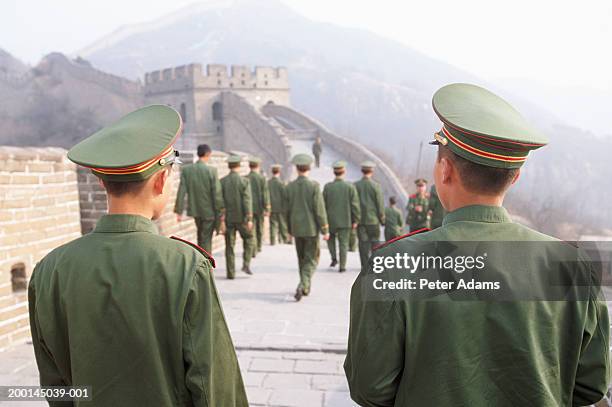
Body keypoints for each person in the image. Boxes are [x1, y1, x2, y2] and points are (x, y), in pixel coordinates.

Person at [345, 83, 610, 406]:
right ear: (515, 177)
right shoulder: (569, 265)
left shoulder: (394, 265)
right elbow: (591, 386)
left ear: (444, 171)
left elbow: (370, 388)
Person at [28, 105, 248, 406]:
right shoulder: (185, 266)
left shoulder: (49, 270)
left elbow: (55, 385)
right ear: (160, 181)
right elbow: (214, 384)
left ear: (101, 181)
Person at [286, 154, 329, 301]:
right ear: (309, 167)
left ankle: (305, 287)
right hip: (311, 229)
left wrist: (288, 230)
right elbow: (319, 210)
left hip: (297, 228)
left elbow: (287, 210)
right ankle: (302, 284)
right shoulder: (314, 186)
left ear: (296, 169)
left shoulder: (290, 187)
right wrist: (325, 228)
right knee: (312, 260)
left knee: (302, 258)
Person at [174, 144, 224, 253]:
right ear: (208, 154)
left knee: (200, 236)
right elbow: (217, 194)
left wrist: (179, 211)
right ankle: (206, 264)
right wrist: (221, 210)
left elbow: (181, 191)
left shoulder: (187, 170)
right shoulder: (212, 171)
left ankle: (200, 261)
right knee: (206, 239)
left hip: (195, 210)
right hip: (209, 212)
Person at [323, 160, 360, 272]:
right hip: (345, 220)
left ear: (334, 172)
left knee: (331, 240)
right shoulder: (349, 187)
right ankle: (342, 266)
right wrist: (356, 219)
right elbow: (355, 205)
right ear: (344, 172)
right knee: (343, 243)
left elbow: (323, 204)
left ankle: (334, 258)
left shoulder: (328, 187)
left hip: (330, 220)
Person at [221, 155, 255, 278]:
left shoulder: (223, 182)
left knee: (229, 246)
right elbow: (247, 201)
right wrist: (249, 218)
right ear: (239, 166)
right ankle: (246, 263)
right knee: (249, 239)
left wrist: (222, 219)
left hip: (228, 219)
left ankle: (230, 273)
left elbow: (220, 202)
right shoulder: (244, 181)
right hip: (242, 219)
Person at [354, 161, 385, 272]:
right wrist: (382, 219)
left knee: (363, 243)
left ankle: (364, 265)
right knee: (375, 242)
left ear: (362, 171)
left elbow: (353, 203)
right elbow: (380, 204)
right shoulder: (376, 186)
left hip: (360, 220)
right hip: (373, 220)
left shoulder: (355, 185)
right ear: (372, 171)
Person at [246, 157, 270, 256]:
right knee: (259, 227)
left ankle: (253, 248)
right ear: (258, 166)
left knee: (251, 228)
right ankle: (259, 246)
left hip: (249, 207)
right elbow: (265, 193)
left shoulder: (245, 178)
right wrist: (267, 207)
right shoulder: (262, 178)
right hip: (259, 207)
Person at [268, 164, 290, 245]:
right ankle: (284, 239)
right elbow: (285, 196)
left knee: (272, 224)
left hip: (271, 207)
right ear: (279, 172)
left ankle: (272, 240)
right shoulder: (281, 184)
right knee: (282, 224)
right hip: (280, 207)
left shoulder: (268, 183)